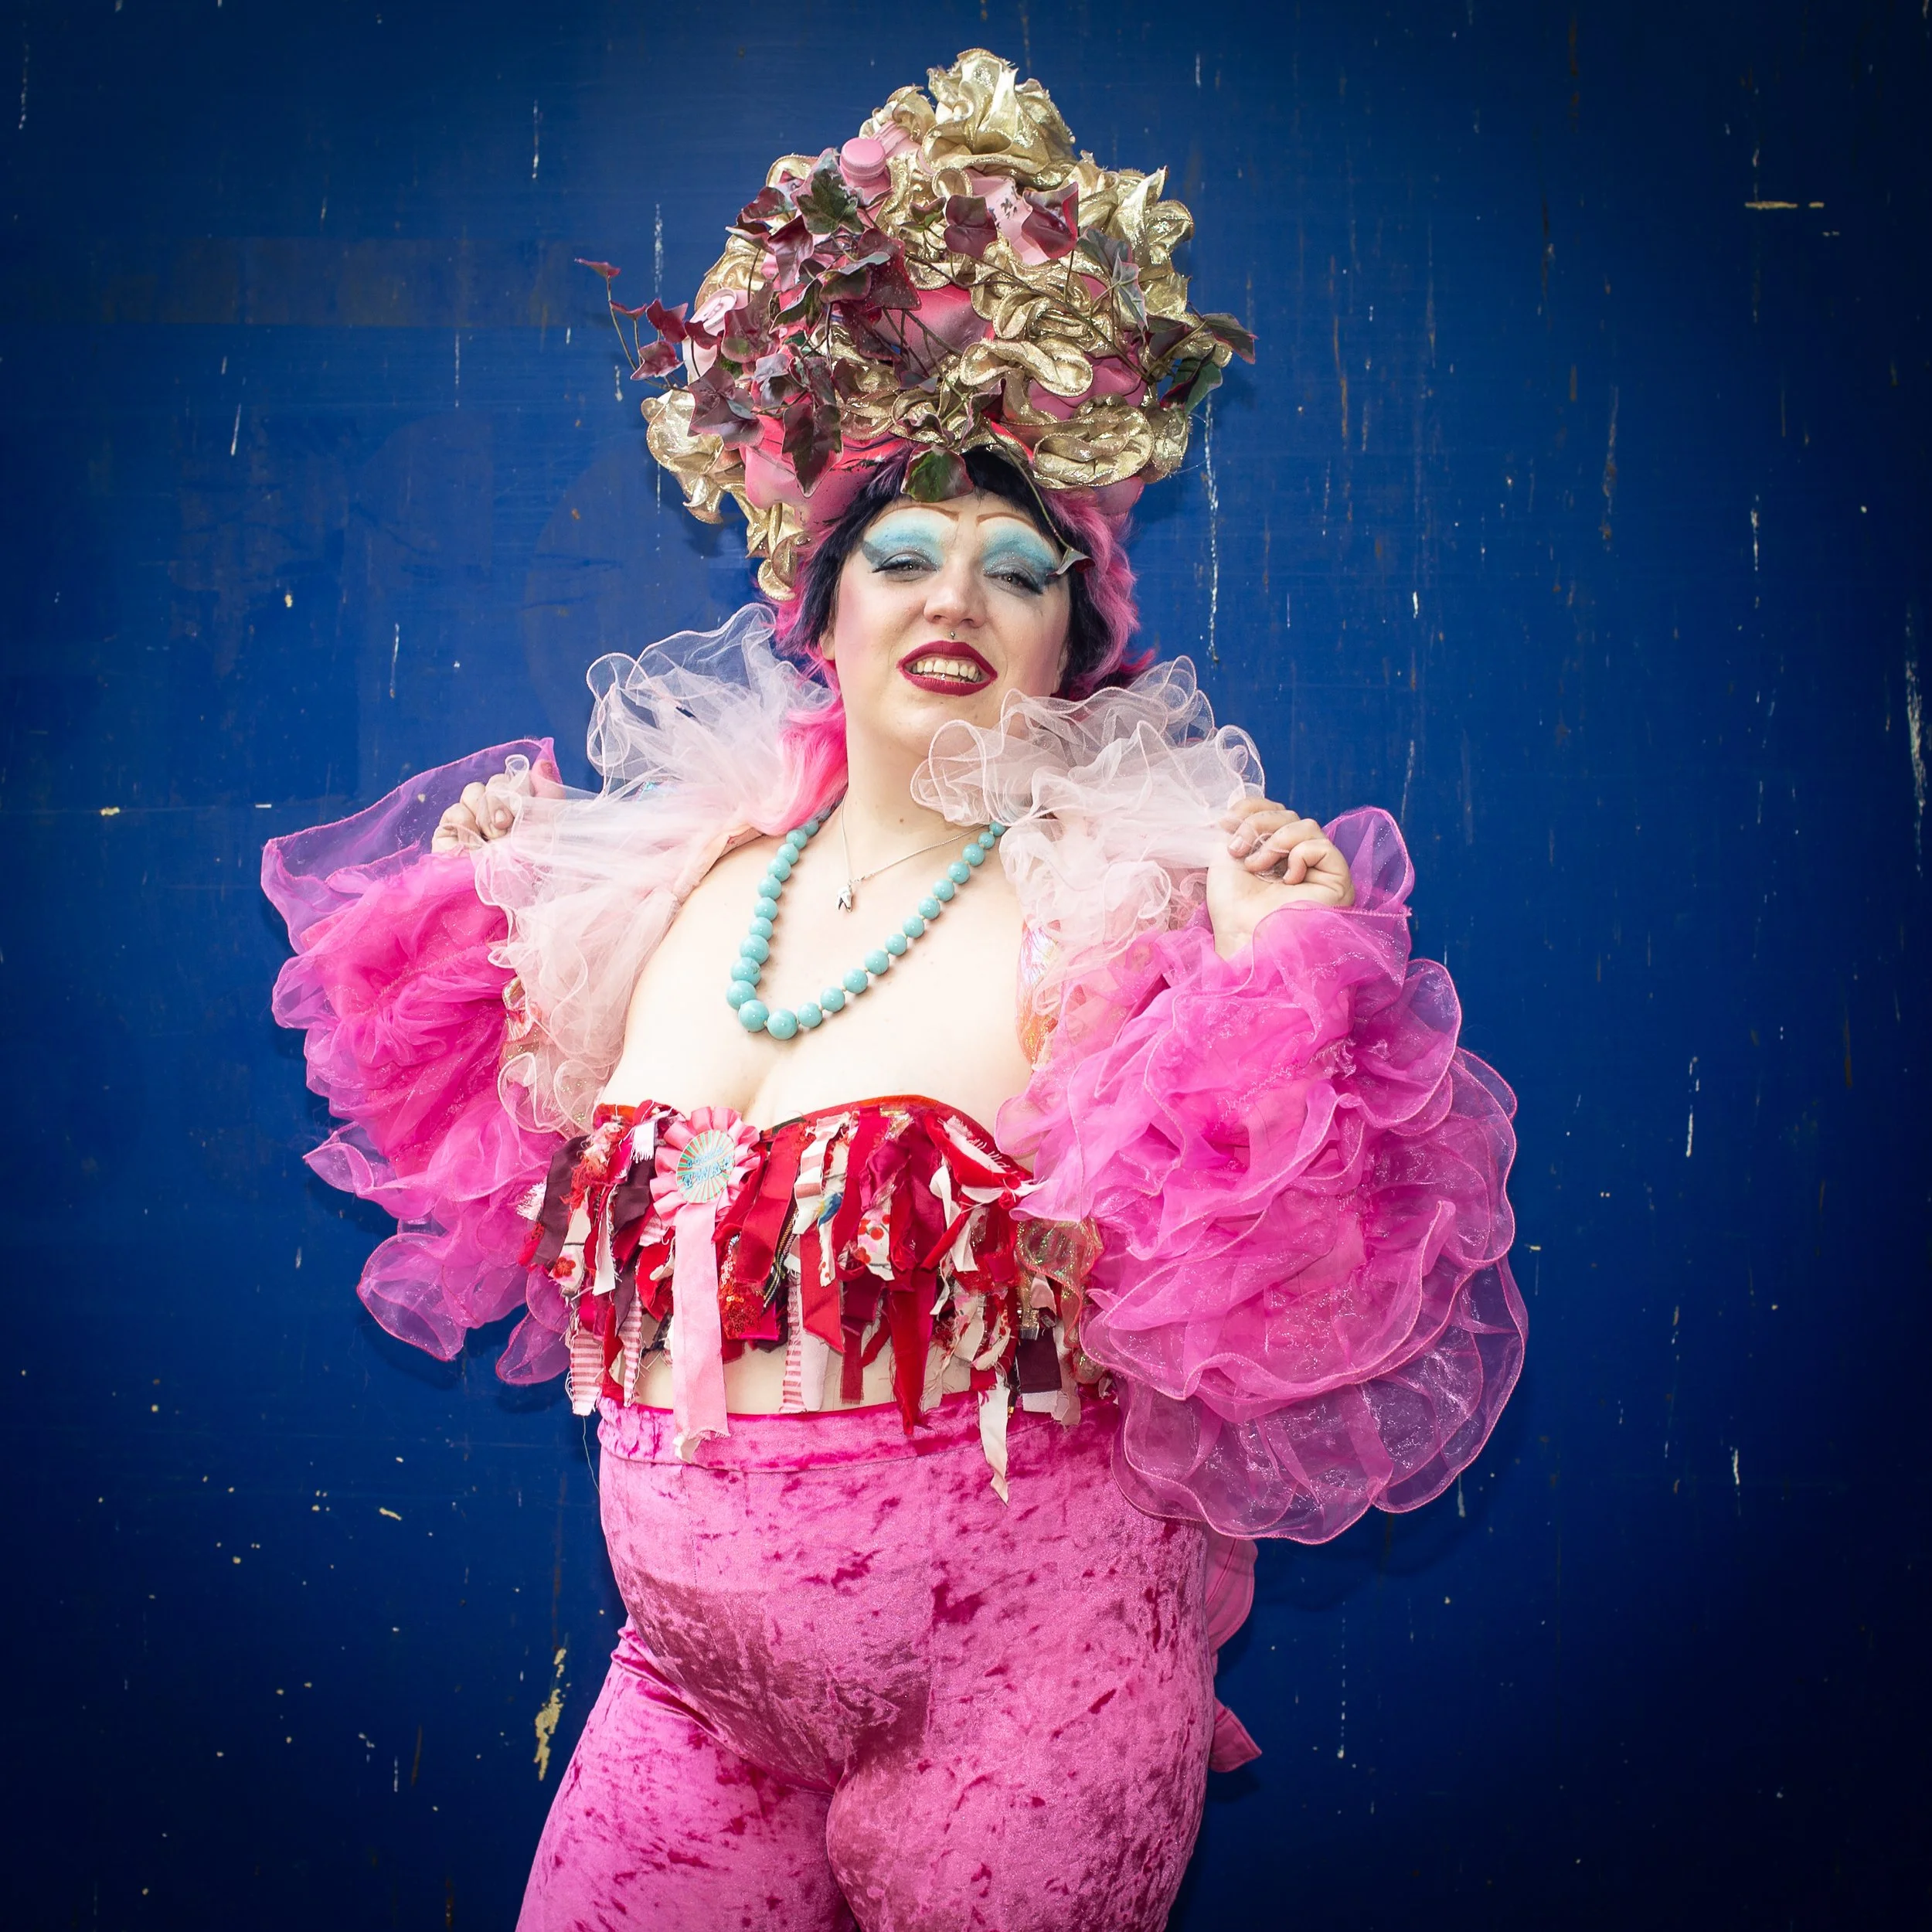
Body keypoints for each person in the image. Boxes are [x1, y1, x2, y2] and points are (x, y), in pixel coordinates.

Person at [264, 50, 1523, 1932]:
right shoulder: (659, 884)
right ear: (823, 602)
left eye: (1018, 574)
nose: (956, 594)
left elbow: (1295, 1304)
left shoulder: (1119, 914)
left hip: (1025, 1693)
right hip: (693, 1683)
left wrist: (1286, 993)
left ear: (1066, 645)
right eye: (905, 555)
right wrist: (478, 901)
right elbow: (487, 1159)